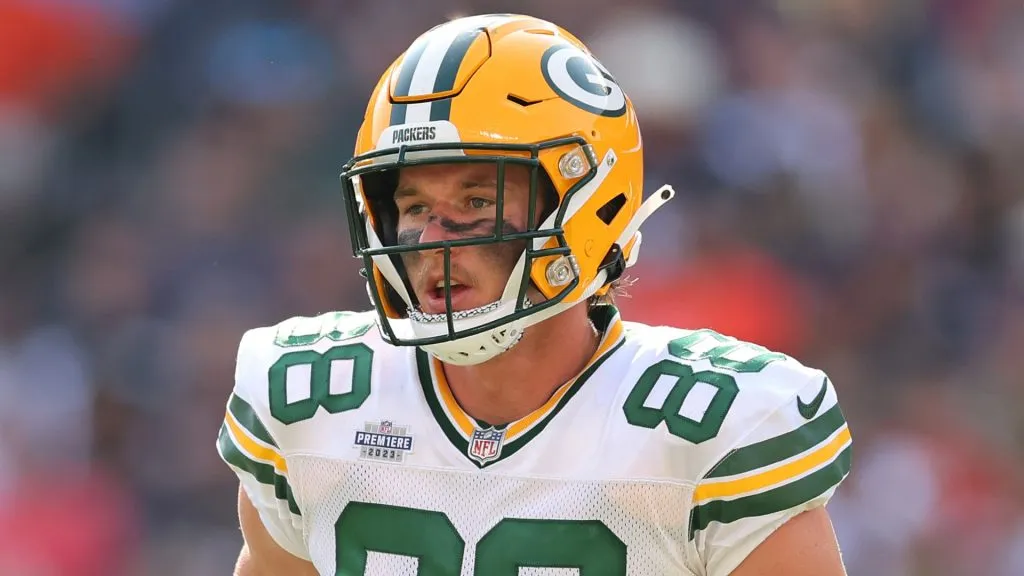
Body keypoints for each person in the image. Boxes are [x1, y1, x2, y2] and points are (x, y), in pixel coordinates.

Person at [217, 13, 852, 576]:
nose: (431, 238)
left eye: (475, 201)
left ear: (585, 205)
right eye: (412, 205)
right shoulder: (308, 400)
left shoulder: (715, 427)